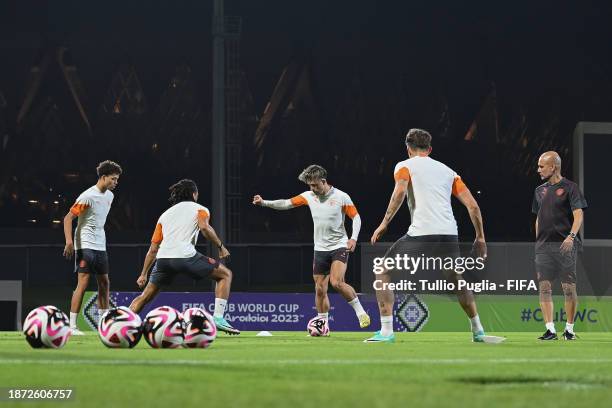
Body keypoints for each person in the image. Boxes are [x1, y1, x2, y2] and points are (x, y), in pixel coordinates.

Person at [366, 128, 503, 343]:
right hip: (449, 234)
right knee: (456, 279)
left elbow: (400, 192)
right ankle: (478, 331)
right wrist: (481, 237)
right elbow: (473, 206)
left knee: (383, 271)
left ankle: (386, 332)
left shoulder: (404, 166)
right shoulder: (449, 172)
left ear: (408, 148)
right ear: (430, 149)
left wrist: (384, 223)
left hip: (422, 232)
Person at [253, 164, 370, 334]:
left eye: (315, 185)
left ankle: (361, 313)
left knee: (336, 282)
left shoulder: (341, 197)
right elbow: (286, 203)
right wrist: (264, 203)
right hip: (320, 248)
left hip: (339, 245)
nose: (312, 188)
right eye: (310, 186)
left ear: (323, 181)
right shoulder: (308, 196)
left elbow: (356, 217)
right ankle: (323, 324)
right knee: (320, 289)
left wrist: (353, 238)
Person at [129, 179, 239, 335]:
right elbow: (204, 228)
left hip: (163, 260)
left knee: (145, 296)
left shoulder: (165, 215)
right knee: (225, 274)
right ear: (194, 194)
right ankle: (219, 318)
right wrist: (221, 247)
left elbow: (153, 249)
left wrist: (143, 273)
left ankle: (123, 322)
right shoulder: (200, 209)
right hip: (185, 257)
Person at [63, 160, 122, 335]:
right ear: (103, 177)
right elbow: (68, 218)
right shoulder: (87, 196)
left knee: (104, 282)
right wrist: (69, 242)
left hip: (100, 245)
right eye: (113, 179)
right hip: (85, 245)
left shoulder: (110, 196)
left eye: (117, 180)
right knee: (83, 282)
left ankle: (104, 325)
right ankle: (72, 326)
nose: (115, 183)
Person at [532, 151, 587, 340]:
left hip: (565, 247)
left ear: (553, 166)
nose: (538, 169)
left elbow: (578, 214)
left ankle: (569, 330)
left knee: (569, 288)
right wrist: (537, 241)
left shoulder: (571, 188)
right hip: (544, 248)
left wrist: (571, 237)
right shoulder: (539, 190)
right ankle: (550, 330)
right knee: (544, 288)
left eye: (541, 166)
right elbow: (538, 218)